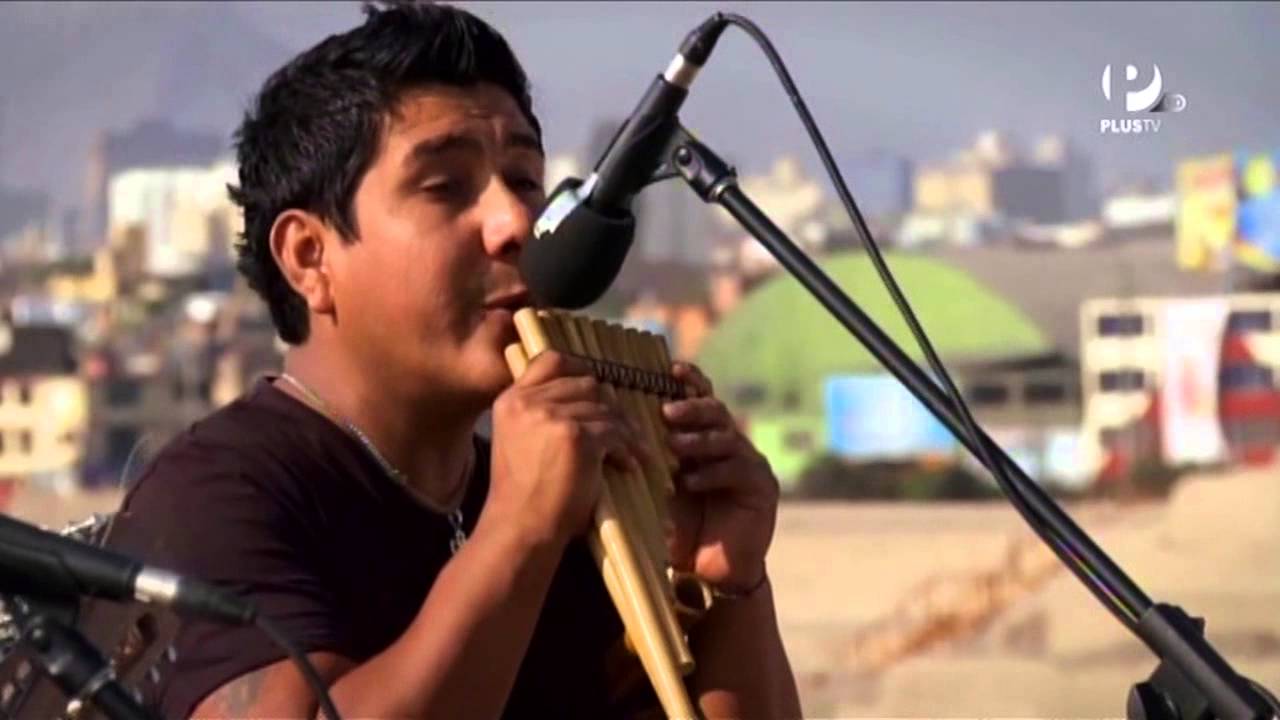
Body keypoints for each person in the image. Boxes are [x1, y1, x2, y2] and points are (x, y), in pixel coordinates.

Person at [116, 2, 801, 718]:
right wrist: (518, 531)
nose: (516, 224)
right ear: (310, 257)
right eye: (445, 186)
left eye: (525, 181)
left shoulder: (569, 492)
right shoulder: (215, 495)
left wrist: (728, 582)